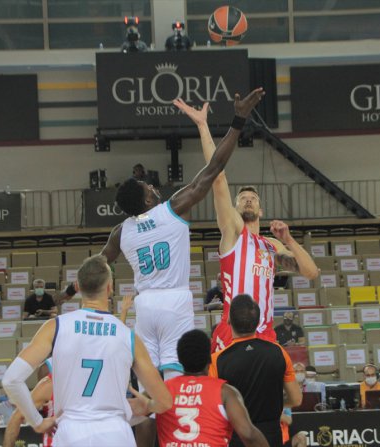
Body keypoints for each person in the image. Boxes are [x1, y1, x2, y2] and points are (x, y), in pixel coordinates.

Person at [102, 89, 264, 446]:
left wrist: (75, 295)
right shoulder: (172, 208)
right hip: (174, 302)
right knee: (175, 390)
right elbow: (214, 168)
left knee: (148, 398)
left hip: (145, 305)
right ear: (147, 198)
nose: (152, 185)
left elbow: (98, 267)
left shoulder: (120, 231)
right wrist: (238, 120)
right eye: (147, 185)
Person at [172, 100, 319, 352]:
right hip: (232, 332)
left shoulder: (272, 245)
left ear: (260, 210)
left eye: (253, 198)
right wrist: (203, 126)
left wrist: (289, 240)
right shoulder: (233, 231)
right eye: (242, 198)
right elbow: (218, 177)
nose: (248, 199)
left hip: (265, 333)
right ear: (235, 208)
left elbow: (311, 272)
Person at [2, 254, 172, 446]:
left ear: (78, 287)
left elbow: (11, 380)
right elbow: (164, 402)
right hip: (116, 433)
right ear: (109, 288)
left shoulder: (55, 327)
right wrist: (149, 404)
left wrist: (37, 422)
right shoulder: (128, 336)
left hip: (71, 433)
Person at [209, 294, 302, 447]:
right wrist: (276, 406)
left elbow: (213, 408)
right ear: (258, 322)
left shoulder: (217, 360)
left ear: (228, 320)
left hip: (237, 437)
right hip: (271, 436)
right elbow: (296, 399)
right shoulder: (279, 352)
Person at [155, 329, 269, 447]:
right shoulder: (225, 392)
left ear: (180, 360)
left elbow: (142, 412)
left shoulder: (162, 390)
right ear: (209, 359)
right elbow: (248, 434)